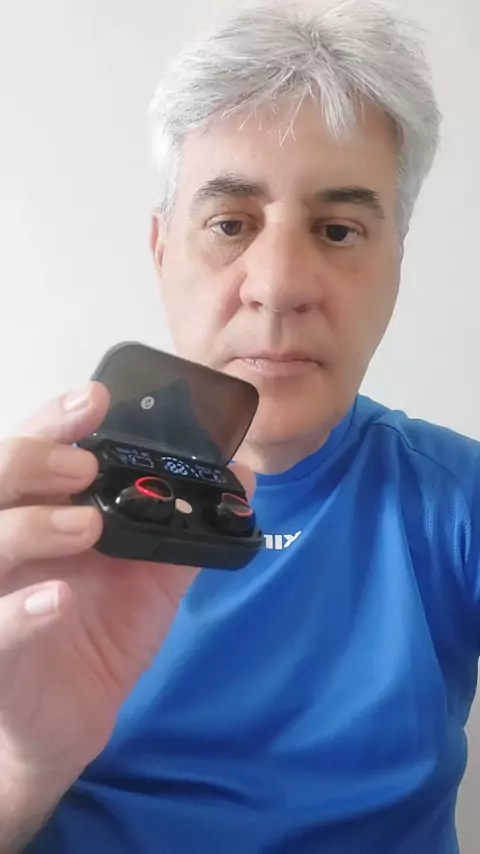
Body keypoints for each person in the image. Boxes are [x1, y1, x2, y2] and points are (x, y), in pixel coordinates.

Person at [1, 1, 475, 852]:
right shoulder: (36, 524)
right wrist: (27, 766)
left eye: (338, 230)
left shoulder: (457, 501)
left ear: (397, 261)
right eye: (230, 224)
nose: (279, 285)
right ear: (162, 250)